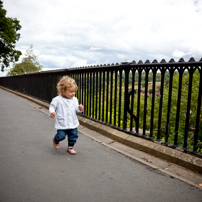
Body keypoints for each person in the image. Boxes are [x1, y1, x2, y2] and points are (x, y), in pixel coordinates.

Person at [49, 76, 83, 155]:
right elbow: (52, 106)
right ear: (63, 91)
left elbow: (77, 110)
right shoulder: (57, 99)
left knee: (73, 136)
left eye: (74, 91)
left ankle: (70, 147)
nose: (73, 93)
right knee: (61, 136)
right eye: (71, 91)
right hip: (62, 124)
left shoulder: (74, 99)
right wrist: (52, 112)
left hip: (73, 123)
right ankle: (56, 139)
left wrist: (80, 108)